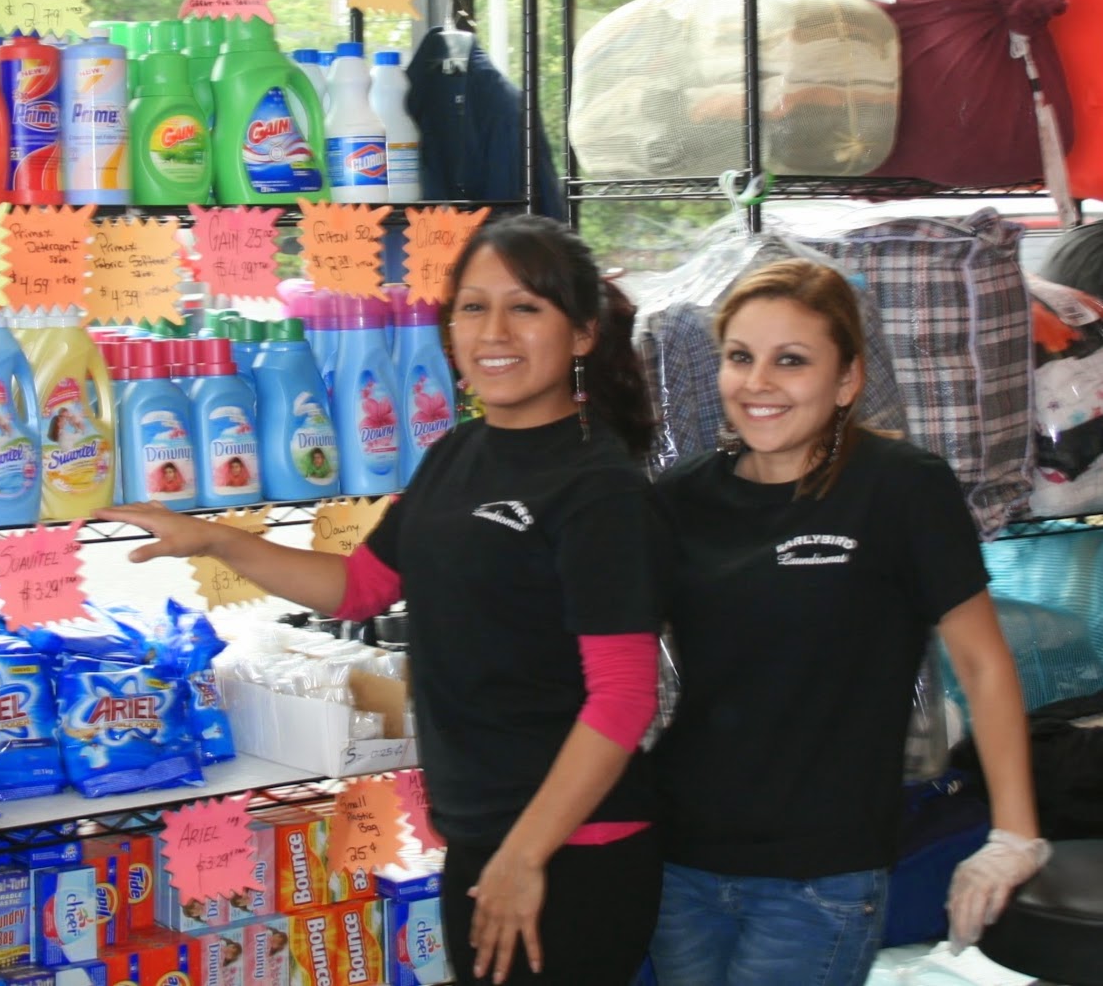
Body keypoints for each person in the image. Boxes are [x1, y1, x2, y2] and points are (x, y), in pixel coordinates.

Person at [97, 214, 664, 986]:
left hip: (572, 847)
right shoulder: (459, 453)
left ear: (583, 333)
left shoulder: (599, 487)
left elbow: (623, 698)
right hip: (487, 833)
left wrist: (524, 855)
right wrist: (217, 540)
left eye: (526, 306)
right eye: (472, 305)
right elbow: (362, 584)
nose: (493, 329)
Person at [647, 257, 1046, 986]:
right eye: (740, 357)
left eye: (790, 360)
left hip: (819, 875)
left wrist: (1015, 831)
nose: (758, 382)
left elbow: (985, 666)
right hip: (681, 860)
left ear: (847, 380)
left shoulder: (901, 489)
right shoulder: (678, 500)